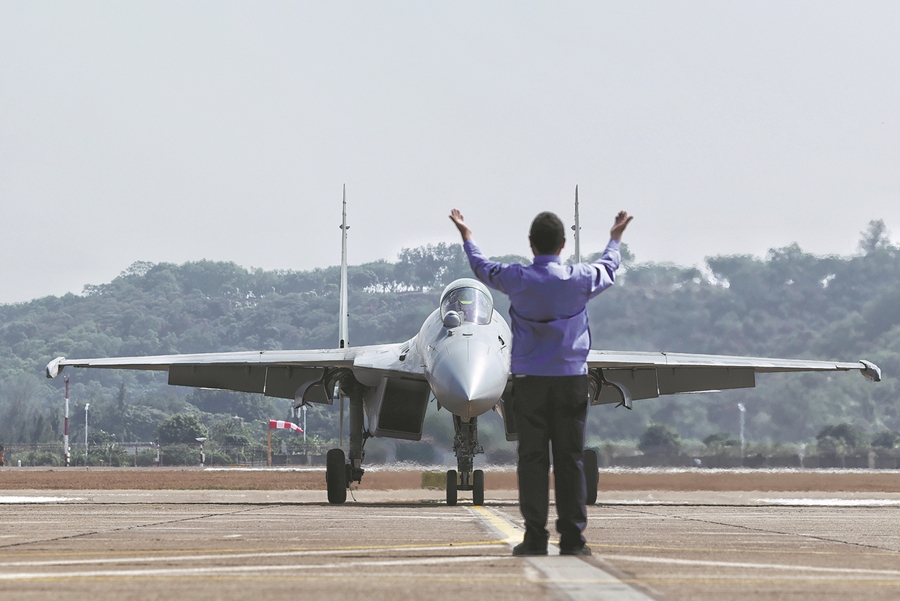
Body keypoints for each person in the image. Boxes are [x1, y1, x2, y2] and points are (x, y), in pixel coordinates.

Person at [449, 207, 632, 556]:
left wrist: (467, 236)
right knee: (570, 459)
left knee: (532, 459)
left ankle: (535, 536)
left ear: (531, 245)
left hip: (530, 382)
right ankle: (573, 539)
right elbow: (609, 267)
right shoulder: (580, 278)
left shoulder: (517, 278)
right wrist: (615, 237)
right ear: (563, 244)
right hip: (570, 381)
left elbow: (482, 268)